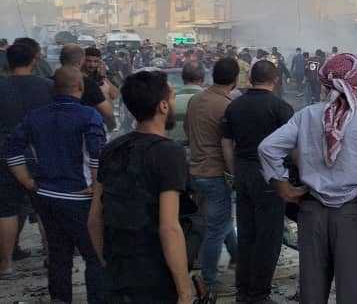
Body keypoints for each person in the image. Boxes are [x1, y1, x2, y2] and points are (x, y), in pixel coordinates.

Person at [258, 53, 357, 303]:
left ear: (324, 83)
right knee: (350, 292)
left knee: (312, 292)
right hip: (353, 212)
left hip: (312, 210)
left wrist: (284, 188)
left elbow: (267, 148)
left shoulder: (306, 115)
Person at [88, 69, 194, 302]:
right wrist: (185, 291)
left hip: (117, 274)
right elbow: (169, 227)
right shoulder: (169, 152)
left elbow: (94, 219)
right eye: (173, 97)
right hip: (154, 276)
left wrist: (108, 263)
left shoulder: (111, 149)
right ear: (163, 106)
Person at [6, 67, 106, 303]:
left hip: (46, 196)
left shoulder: (35, 116)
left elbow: (11, 149)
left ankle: (60, 299)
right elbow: (97, 155)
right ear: (80, 87)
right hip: (79, 197)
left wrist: (27, 181)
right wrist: (96, 186)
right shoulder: (89, 115)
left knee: (58, 255)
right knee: (94, 256)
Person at [221, 60, 294, 304]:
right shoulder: (281, 107)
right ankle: (258, 294)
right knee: (269, 237)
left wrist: (233, 173)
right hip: (270, 177)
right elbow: (293, 148)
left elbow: (226, 144)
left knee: (247, 234)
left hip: (243, 173)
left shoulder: (234, 106)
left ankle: (243, 291)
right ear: (275, 79)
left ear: (250, 78)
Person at [186, 57, 240, 297]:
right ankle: (209, 279)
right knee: (216, 226)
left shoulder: (196, 99)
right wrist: (233, 173)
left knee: (221, 218)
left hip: (196, 169)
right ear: (236, 78)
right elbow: (230, 143)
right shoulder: (227, 104)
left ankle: (237, 257)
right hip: (216, 172)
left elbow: (188, 130)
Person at [0, 43, 53, 279]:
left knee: (6, 210)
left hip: (4, 153)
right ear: (34, 60)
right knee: (44, 208)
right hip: (40, 153)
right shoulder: (48, 87)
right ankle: (52, 257)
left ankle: (7, 265)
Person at [60, 44, 116, 126]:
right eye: (88, 61)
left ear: (100, 62)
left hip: (98, 121)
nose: (92, 65)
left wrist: (103, 77)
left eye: (95, 61)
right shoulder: (74, 76)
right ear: (82, 61)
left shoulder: (101, 75)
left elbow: (114, 95)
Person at [168, 62, 206, 147]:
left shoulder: (169, 102)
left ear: (182, 78)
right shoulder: (210, 101)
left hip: (174, 152)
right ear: (202, 79)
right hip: (201, 154)